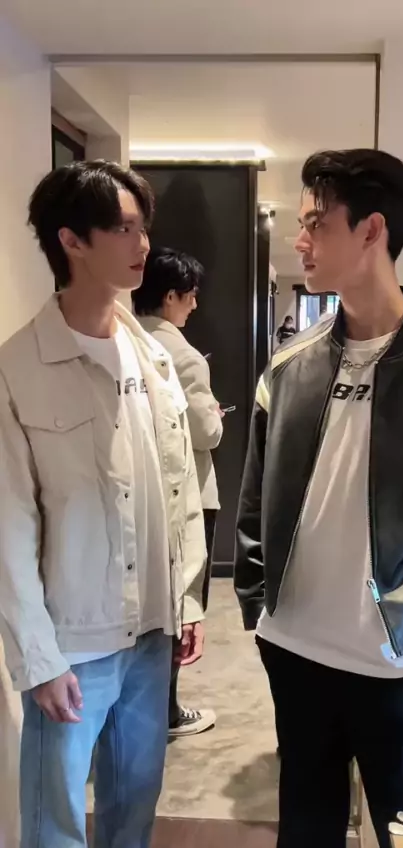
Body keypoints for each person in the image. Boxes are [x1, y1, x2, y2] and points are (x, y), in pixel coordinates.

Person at [234, 148, 403, 848]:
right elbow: (255, 495)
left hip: (398, 666)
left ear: (372, 229)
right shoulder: (289, 365)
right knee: (306, 835)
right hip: (295, 652)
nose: (300, 240)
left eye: (316, 223)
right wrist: (257, 600)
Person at [0, 160, 207, 848]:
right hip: (74, 643)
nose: (142, 244)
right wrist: (38, 658)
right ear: (71, 241)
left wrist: (186, 599)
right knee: (55, 824)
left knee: (133, 813)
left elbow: (176, 485)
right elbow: (8, 528)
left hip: (151, 633)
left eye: (143, 227)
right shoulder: (18, 370)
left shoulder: (151, 357)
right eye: (122, 228)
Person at [133, 247, 223, 737]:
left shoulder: (124, 341)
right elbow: (206, 433)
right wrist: (215, 416)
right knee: (182, 605)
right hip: (189, 494)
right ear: (171, 296)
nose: (194, 305)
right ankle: (167, 710)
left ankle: (144, 708)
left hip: (140, 496)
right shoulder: (182, 355)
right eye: (190, 296)